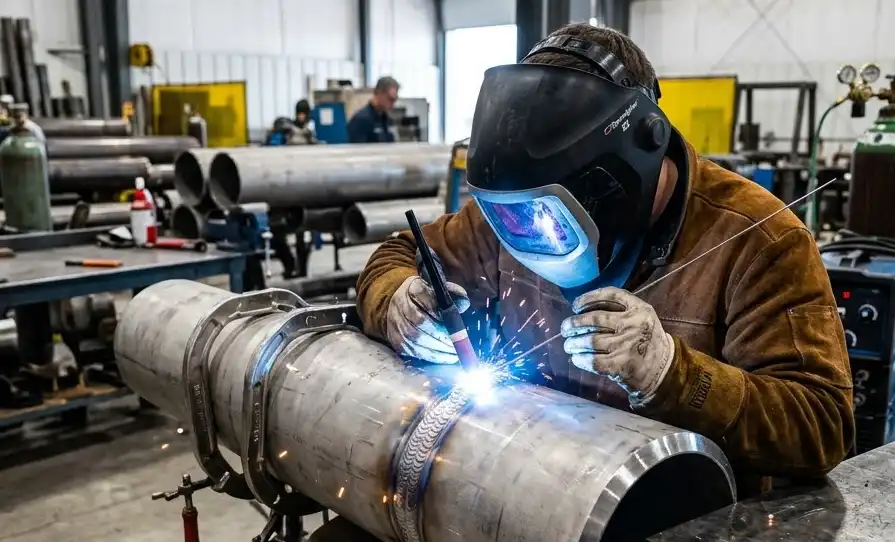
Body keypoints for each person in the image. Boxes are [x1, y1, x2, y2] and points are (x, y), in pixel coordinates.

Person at [356, 24, 854, 497]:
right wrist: (397, 301)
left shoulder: (758, 238)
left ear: (629, 164)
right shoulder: (514, 212)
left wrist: (668, 373)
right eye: (508, 215)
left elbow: (822, 426)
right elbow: (396, 256)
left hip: (677, 514)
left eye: (548, 215)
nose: (528, 235)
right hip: (526, 490)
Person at [347, 76, 399, 143]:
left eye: (395, 100)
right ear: (378, 93)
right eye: (390, 99)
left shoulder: (388, 120)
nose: (393, 104)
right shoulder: (361, 120)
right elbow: (357, 151)